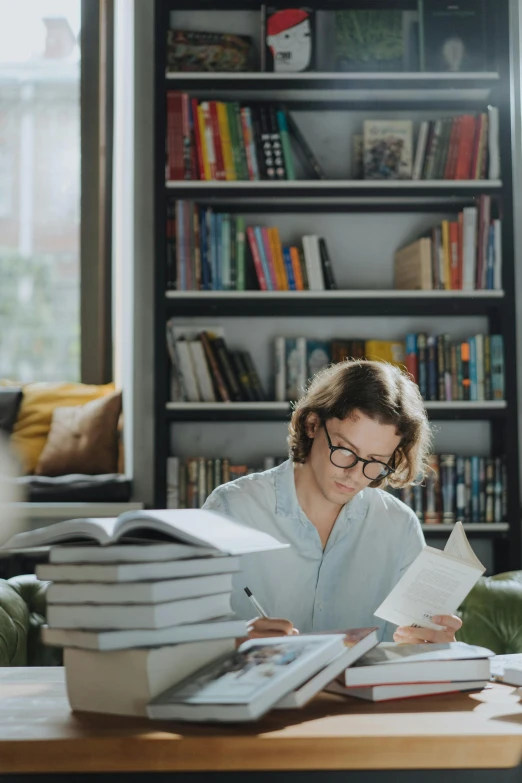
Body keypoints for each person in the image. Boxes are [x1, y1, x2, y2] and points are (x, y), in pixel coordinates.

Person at [203, 360, 462, 644]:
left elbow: (413, 650)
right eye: (345, 450)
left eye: (376, 462)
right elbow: (184, 637)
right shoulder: (231, 509)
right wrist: (233, 640)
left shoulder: (399, 527)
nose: (353, 474)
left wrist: (433, 644)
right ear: (312, 424)